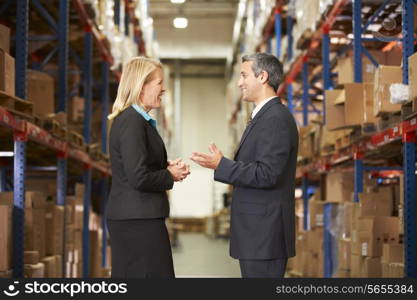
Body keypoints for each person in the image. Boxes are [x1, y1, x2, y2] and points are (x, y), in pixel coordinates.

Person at [191, 53, 298, 278]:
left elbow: (267, 174)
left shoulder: (275, 119)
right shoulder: (262, 117)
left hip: (265, 235)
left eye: (243, 75)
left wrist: (222, 165)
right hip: (257, 234)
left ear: (262, 77)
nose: (239, 83)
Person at [106, 57, 190, 278]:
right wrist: (169, 175)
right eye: (159, 83)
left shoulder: (137, 121)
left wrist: (166, 167)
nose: (163, 89)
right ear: (141, 86)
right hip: (137, 220)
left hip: (138, 217)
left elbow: (138, 166)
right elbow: (138, 177)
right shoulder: (132, 122)